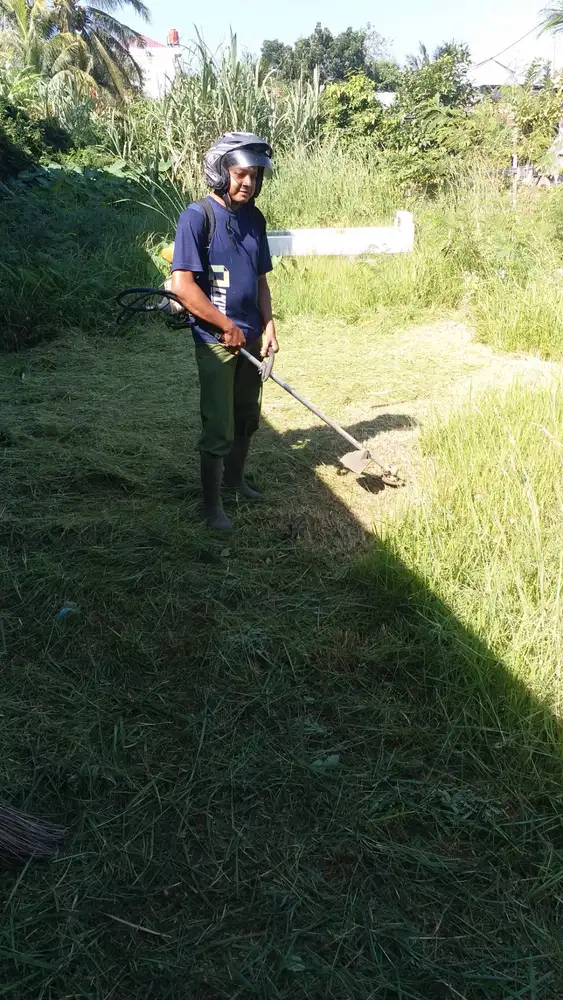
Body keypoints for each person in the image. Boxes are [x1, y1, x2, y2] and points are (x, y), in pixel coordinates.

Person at [170, 132, 279, 532]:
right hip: (216, 340)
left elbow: (261, 279)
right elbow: (183, 286)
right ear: (220, 172)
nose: (248, 182)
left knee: (247, 415)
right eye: (240, 174)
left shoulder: (254, 219)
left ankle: (236, 480)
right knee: (219, 424)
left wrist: (269, 325)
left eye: (255, 175)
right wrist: (225, 325)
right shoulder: (197, 217)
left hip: (250, 335)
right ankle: (212, 507)